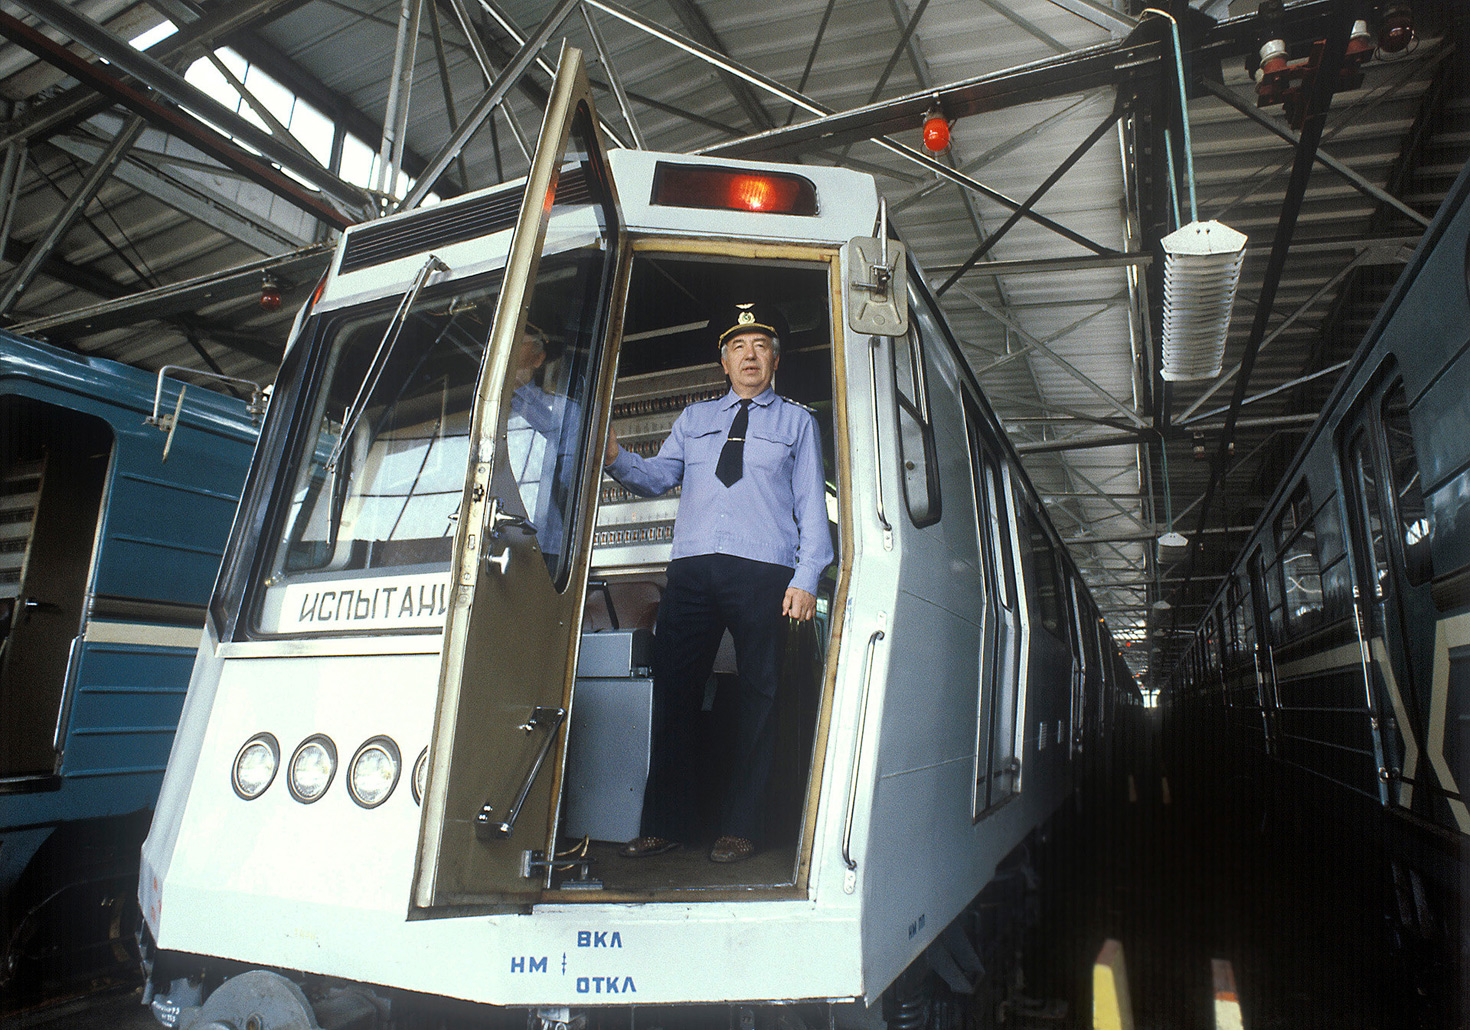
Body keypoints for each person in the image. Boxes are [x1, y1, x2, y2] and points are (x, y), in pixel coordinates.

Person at [602, 301, 833, 863]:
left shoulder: (798, 423)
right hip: (693, 571)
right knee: (674, 690)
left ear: (775, 360)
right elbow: (657, 477)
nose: (749, 354)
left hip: (765, 572)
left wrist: (807, 576)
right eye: (737, 346)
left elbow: (811, 506)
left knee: (761, 697)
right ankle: (666, 823)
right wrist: (612, 454)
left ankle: (742, 826)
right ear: (723, 362)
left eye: (760, 345)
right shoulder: (694, 419)